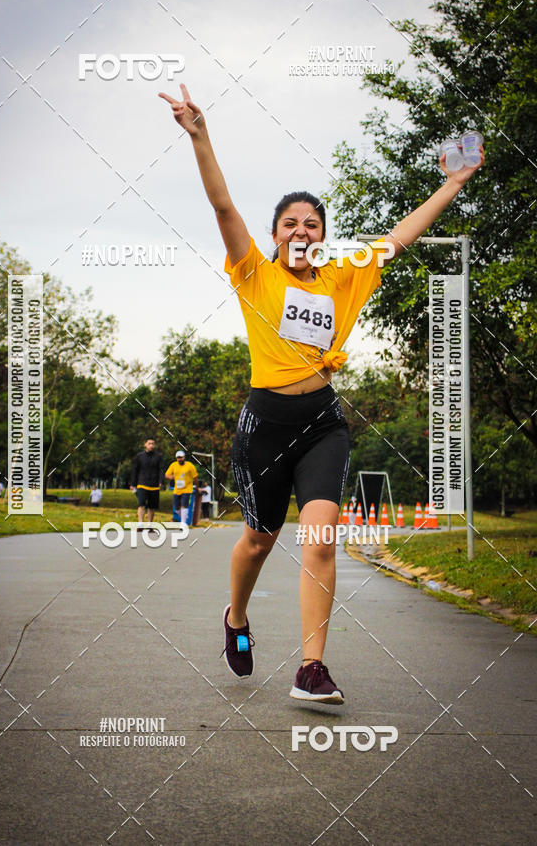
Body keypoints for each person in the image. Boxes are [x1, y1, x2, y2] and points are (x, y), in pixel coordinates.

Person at [159, 83, 484, 703]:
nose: (301, 230)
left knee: (320, 536)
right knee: (259, 540)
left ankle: (312, 668)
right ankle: (236, 617)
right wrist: (201, 136)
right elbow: (223, 208)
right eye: (290, 223)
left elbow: (401, 235)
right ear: (275, 235)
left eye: (312, 223)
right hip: (265, 426)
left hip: (322, 424)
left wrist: (454, 183)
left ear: (323, 236)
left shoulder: (342, 278)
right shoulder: (254, 273)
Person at [130, 437, 165, 523]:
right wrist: (133, 483)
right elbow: (135, 470)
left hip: (154, 485)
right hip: (142, 484)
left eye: (153, 444)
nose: (151, 445)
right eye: (149, 443)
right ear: (145, 444)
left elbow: (161, 470)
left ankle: (150, 524)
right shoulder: (140, 456)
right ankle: (140, 523)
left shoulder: (159, 457)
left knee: (152, 507)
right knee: (141, 504)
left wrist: (161, 481)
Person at [165, 451, 198, 526]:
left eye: (181, 457)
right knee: (176, 508)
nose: (180, 459)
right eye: (178, 458)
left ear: (184, 457)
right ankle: (184, 517)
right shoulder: (174, 465)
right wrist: (171, 477)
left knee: (184, 505)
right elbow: (166, 475)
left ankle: (183, 523)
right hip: (177, 490)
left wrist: (197, 487)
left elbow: (195, 477)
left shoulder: (190, 465)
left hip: (187, 489)